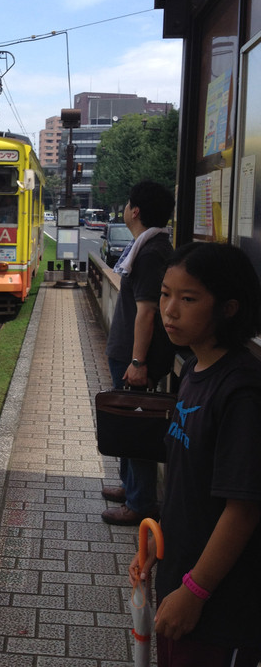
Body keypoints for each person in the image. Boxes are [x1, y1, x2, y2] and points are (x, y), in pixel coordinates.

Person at [129, 242, 261, 667]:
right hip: (179, 575)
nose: (169, 310)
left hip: (219, 605)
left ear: (229, 308)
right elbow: (186, 479)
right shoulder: (193, 371)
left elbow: (243, 509)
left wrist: (195, 592)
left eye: (188, 299)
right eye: (165, 294)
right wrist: (154, 545)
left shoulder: (241, 391)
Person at [102, 180, 175, 526]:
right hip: (129, 353)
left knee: (136, 426)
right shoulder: (147, 246)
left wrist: (137, 362)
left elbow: (147, 311)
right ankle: (130, 487)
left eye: (129, 203)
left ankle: (141, 502)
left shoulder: (150, 253)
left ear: (136, 211)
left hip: (135, 357)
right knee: (128, 423)